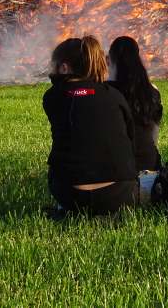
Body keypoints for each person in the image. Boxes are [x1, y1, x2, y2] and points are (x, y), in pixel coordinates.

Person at [43, 35, 137, 216]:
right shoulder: (114, 95)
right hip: (120, 193)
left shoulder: (52, 97)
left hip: (71, 194)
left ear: (64, 68)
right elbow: (130, 137)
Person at [107, 36, 163, 172]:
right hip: (149, 166)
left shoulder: (103, 92)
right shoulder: (152, 91)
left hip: (116, 171)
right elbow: (154, 138)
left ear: (108, 60)